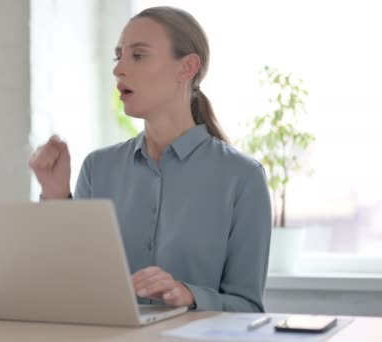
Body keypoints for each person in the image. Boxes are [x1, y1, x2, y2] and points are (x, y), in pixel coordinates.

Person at [29, 6, 271, 312]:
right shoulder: (98, 168)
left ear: (187, 68)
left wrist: (190, 295)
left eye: (138, 55)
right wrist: (54, 194)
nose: (118, 69)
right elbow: (69, 282)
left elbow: (247, 307)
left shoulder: (242, 177)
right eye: (118, 56)